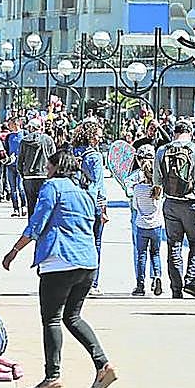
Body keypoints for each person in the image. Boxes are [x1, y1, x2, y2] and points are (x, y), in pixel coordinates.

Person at [3, 149, 117, 388]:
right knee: (73, 317)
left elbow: (37, 222)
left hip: (59, 261)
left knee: (52, 319)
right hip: (87, 263)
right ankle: (103, 364)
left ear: (56, 167)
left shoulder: (52, 186)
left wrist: (14, 250)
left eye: (48, 166)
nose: (46, 170)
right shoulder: (85, 193)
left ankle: (52, 378)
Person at [154, 119, 195, 299]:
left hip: (170, 204)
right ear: (190, 133)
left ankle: (176, 287)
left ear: (174, 133)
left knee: (174, 245)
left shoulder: (162, 151)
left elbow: (157, 181)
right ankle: (191, 281)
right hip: (193, 204)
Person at [72, 121, 109, 290]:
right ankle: (92, 283)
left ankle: (73, 281)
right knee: (95, 244)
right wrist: (103, 208)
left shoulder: (71, 153)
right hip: (92, 204)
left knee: (75, 241)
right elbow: (98, 185)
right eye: (98, 135)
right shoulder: (95, 156)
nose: (100, 138)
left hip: (74, 203)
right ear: (91, 136)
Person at [130, 145, 165, 297]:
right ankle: (157, 276)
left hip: (141, 225)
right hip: (156, 225)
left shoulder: (138, 189)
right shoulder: (158, 189)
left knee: (141, 254)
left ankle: (140, 285)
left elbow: (135, 206)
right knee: (156, 253)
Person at [18, 116, 55, 211]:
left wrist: (23, 173)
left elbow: (20, 160)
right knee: (45, 205)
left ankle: (32, 224)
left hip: (28, 176)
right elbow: (54, 158)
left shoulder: (24, 141)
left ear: (31, 128)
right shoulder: (48, 140)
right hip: (44, 175)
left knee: (31, 205)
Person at [3, 117, 27, 217]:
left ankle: (24, 206)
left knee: (21, 187)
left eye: (10, 124)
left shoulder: (24, 134)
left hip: (21, 165)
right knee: (13, 188)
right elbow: (5, 150)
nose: (8, 126)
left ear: (16, 124)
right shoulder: (9, 137)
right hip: (10, 165)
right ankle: (15, 208)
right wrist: (7, 158)